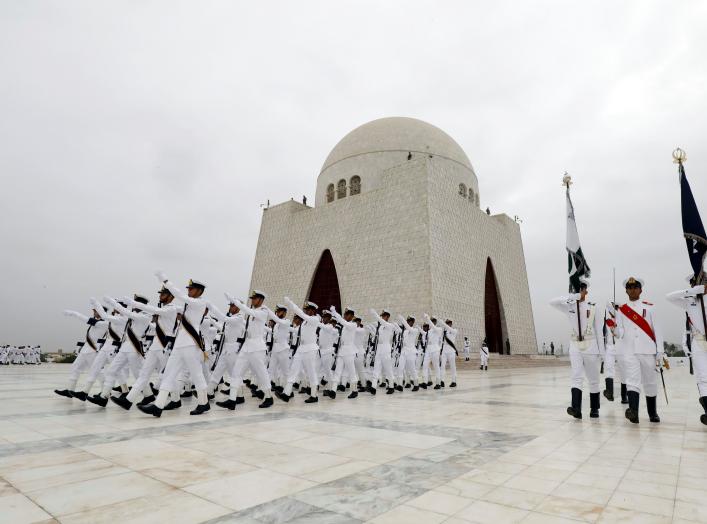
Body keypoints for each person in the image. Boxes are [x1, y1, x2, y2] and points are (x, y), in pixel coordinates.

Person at [138, 272, 211, 417]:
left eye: (191, 289)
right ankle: (158, 406)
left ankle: (204, 403)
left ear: (199, 291)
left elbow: (180, 296)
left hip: (191, 344)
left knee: (196, 374)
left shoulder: (200, 303)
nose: (188, 291)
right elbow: (166, 309)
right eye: (188, 289)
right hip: (179, 344)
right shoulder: (187, 305)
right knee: (168, 374)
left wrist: (165, 281)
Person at [112, 286, 179, 410]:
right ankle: (128, 401)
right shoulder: (161, 309)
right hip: (155, 346)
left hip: (164, 346)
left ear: (171, 296)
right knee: (144, 374)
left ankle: (176, 400)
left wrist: (133, 303)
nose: (160, 295)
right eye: (161, 293)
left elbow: (150, 309)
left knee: (167, 375)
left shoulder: (171, 309)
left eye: (163, 294)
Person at [611, 277, 665, 424]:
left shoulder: (650, 307)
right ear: (626, 290)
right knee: (632, 381)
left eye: (635, 287)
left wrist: (660, 351)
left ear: (641, 290)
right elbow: (620, 332)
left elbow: (657, 331)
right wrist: (614, 329)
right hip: (630, 351)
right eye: (630, 288)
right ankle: (633, 412)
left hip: (648, 350)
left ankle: (652, 413)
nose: (632, 290)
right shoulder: (621, 310)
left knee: (650, 383)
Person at [550, 280, 605, 419]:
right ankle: (576, 409)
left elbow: (599, 331)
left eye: (582, 288)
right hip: (575, 345)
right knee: (576, 377)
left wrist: (603, 353)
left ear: (586, 291)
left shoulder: (593, 307)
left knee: (593, 379)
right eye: (576, 289)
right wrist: (571, 297)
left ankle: (594, 409)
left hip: (591, 345)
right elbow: (552, 302)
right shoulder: (569, 306)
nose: (579, 291)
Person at [217, 291, 274, 410]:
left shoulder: (263, 311)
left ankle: (268, 397)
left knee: (261, 373)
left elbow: (249, 311)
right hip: (246, 346)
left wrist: (235, 301)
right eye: (252, 298)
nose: (252, 300)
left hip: (257, 347)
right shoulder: (251, 312)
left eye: (255, 298)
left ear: (261, 300)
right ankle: (232, 400)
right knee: (236, 372)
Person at [666, 277, 707, 426]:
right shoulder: (689, 301)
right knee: (703, 377)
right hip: (699, 342)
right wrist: (692, 292)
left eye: (700, 283)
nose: (696, 285)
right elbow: (669, 297)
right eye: (693, 284)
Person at [55, 307, 108, 398]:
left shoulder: (104, 323)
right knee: (75, 367)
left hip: (93, 350)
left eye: (95, 311)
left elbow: (85, 319)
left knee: (98, 371)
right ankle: (70, 390)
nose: (94, 312)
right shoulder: (95, 322)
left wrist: (74, 313)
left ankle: (105, 392)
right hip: (86, 349)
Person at [277, 299, 322, 404]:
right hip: (301, 348)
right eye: (306, 310)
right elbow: (297, 330)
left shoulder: (315, 319)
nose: (307, 312)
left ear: (314, 311)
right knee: (293, 370)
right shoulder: (305, 322)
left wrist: (291, 304)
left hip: (310, 349)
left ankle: (314, 395)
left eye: (309, 310)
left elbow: (302, 315)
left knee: (311, 372)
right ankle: (286, 394)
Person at [329, 306, 360, 398]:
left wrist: (334, 312)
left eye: (347, 314)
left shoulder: (352, 325)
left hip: (349, 351)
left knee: (351, 371)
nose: (345, 316)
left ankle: (354, 390)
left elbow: (343, 322)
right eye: (345, 314)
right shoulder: (345, 326)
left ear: (351, 316)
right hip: (342, 351)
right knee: (338, 370)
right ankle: (333, 390)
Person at [367, 309, 400, 395]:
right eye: (382, 316)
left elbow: (382, 322)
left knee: (388, 369)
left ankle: (392, 386)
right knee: (376, 368)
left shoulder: (390, 325)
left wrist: (375, 315)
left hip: (386, 348)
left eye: (384, 315)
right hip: (379, 348)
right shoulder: (380, 327)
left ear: (387, 317)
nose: (382, 317)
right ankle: (373, 387)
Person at [423, 315, 443, 389]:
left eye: (434, 320)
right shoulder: (429, 331)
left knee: (436, 366)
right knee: (425, 365)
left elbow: (433, 327)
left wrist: (428, 319)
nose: (432, 322)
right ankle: (425, 382)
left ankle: (438, 383)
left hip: (435, 349)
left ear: (435, 322)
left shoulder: (439, 329)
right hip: (428, 349)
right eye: (432, 320)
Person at [440, 319, 458, 387]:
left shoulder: (454, 330)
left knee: (452, 366)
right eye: (447, 323)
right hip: (444, 350)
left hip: (451, 351)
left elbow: (449, 329)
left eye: (449, 323)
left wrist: (443, 324)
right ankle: (442, 380)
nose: (448, 324)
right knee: (442, 366)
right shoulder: (444, 332)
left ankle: (454, 381)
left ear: (451, 324)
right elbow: (441, 341)